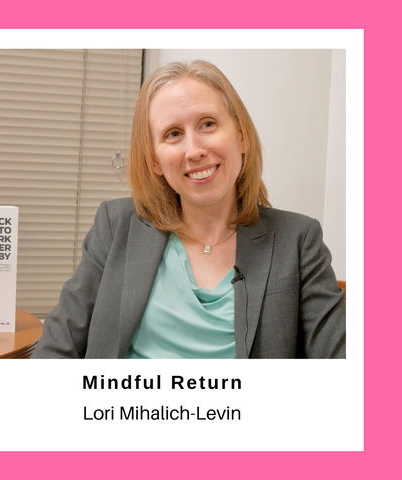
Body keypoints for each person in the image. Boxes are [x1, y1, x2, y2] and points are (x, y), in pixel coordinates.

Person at [31, 60, 345, 359]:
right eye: (173, 134)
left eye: (208, 124)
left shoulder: (298, 240)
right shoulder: (115, 227)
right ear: (155, 160)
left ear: (241, 136)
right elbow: (56, 349)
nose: (194, 151)